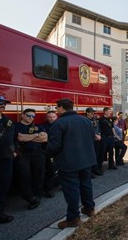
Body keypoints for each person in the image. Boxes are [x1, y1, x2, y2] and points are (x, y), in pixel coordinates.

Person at [46, 98, 96, 229]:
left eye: (57, 108)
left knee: (71, 189)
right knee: (86, 184)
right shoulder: (86, 120)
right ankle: (89, 208)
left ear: (61, 108)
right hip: (87, 159)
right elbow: (91, 139)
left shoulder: (59, 123)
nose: (57, 110)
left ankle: (73, 218)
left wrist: (48, 154)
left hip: (68, 162)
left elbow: (54, 146)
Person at [14, 108, 48, 210]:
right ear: (23, 115)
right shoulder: (16, 126)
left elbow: (45, 138)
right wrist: (36, 135)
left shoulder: (39, 126)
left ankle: (37, 196)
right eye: (29, 115)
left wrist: (28, 137)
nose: (31, 118)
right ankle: (29, 197)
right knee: (25, 176)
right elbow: (20, 138)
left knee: (39, 175)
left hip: (38, 154)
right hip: (23, 154)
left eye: (33, 116)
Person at [0, 95, 15, 223]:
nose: (3, 105)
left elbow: (11, 138)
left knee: (2, 187)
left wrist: (13, 150)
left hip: (6, 159)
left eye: (4, 103)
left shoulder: (8, 121)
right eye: (0, 103)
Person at [43, 111, 58, 197]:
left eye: (53, 117)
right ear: (46, 118)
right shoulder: (43, 127)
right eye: (50, 117)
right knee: (50, 171)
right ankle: (48, 190)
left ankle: (61, 184)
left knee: (62, 168)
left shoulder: (60, 125)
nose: (52, 118)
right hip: (49, 151)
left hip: (60, 150)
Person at [85, 107, 102, 177]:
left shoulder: (95, 120)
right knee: (90, 156)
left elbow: (98, 128)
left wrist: (99, 134)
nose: (93, 113)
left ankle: (96, 169)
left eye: (93, 112)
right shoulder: (85, 120)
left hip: (97, 140)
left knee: (96, 155)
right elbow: (87, 130)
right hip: (90, 140)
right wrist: (95, 135)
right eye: (91, 112)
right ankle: (90, 172)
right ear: (87, 113)